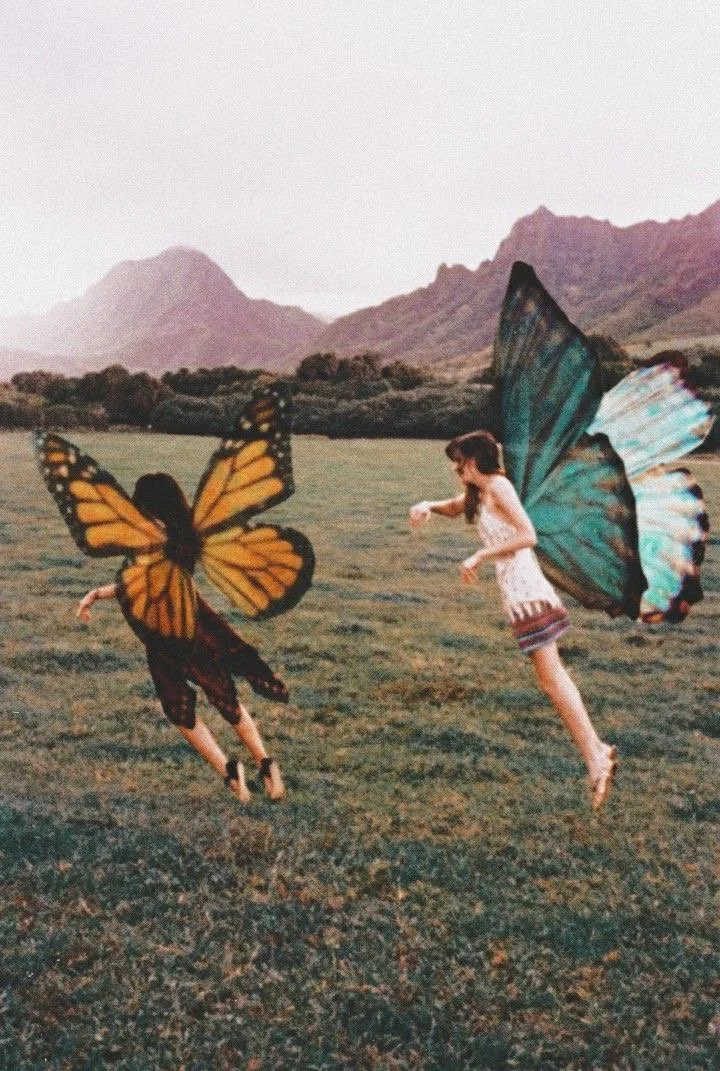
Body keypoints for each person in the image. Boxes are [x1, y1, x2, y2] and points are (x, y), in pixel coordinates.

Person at [410, 430, 617, 811]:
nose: (456, 468)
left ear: (476, 459)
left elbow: (528, 535)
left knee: (552, 678)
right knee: (549, 678)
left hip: (528, 593)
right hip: (518, 596)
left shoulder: (499, 487)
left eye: (460, 460)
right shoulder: (479, 492)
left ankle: (597, 756)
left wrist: (480, 555)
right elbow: (455, 505)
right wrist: (427, 505)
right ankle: (596, 752)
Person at [76, 473, 287, 804]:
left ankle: (231, 772)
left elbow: (139, 587)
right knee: (225, 699)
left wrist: (99, 593)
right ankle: (265, 764)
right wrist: (101, 593)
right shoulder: (186, 537)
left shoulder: (150, 539)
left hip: (164, 634)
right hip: (193, 625)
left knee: (181, 711)